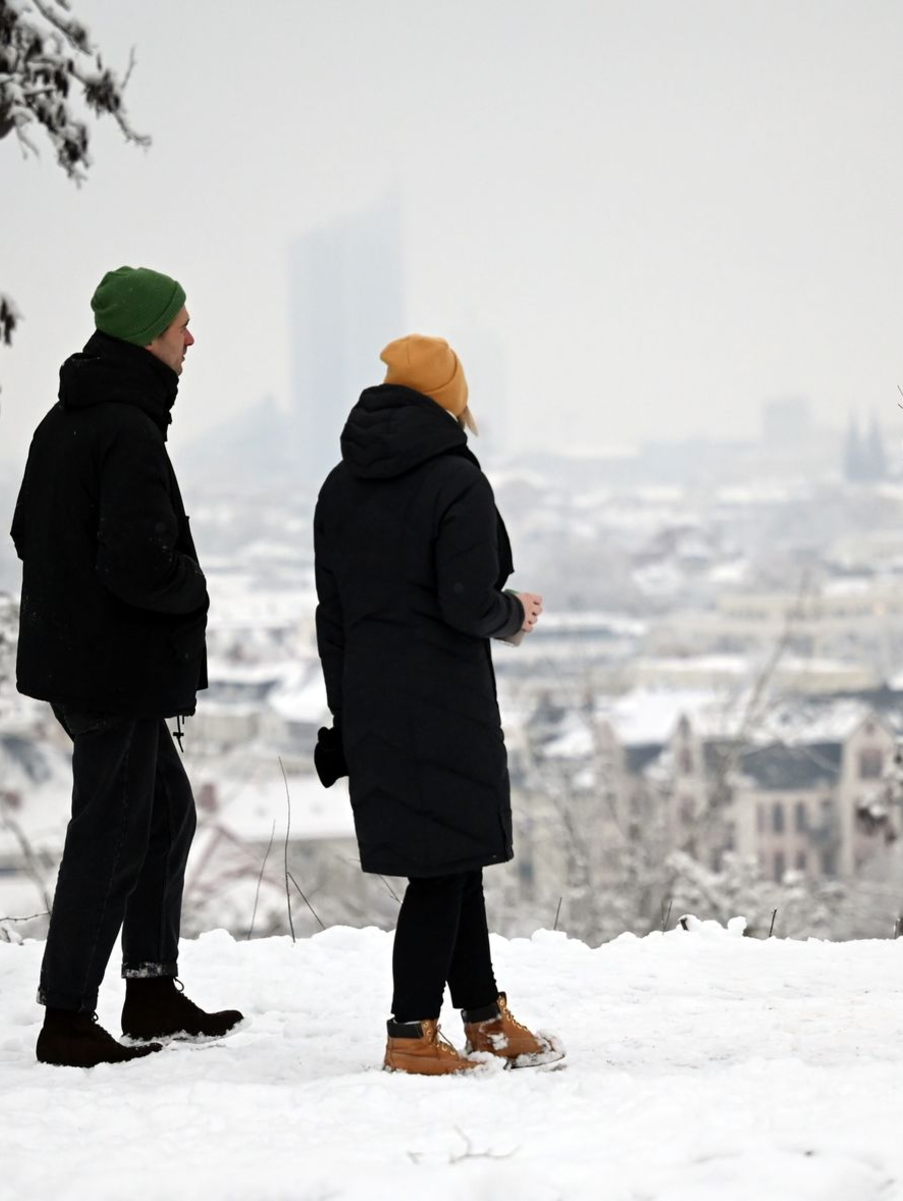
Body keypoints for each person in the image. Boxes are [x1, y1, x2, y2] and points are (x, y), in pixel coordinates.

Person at [10, 266, 243, 1068]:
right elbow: (142, 565)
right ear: (149, 332)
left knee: (165, 814)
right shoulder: (127, 430)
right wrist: (194, 589)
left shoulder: (64, 422)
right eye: (181, 323)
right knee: (112, 830)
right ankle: (68, 1016)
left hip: (87, 662)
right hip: (113, 668)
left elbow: (24, 533)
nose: (190, 337)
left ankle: (148, 987)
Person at [313, 334, 563, 1075]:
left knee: (457, 858)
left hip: (373, 697)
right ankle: (410, 1031)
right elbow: (464, 600)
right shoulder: (456, 480)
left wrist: (346, 711)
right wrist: (511, 612)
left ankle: (482, 1016)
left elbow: (334, 613)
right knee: (441, 867)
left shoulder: (339, 485)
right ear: (452, 394)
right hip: (443, 698)